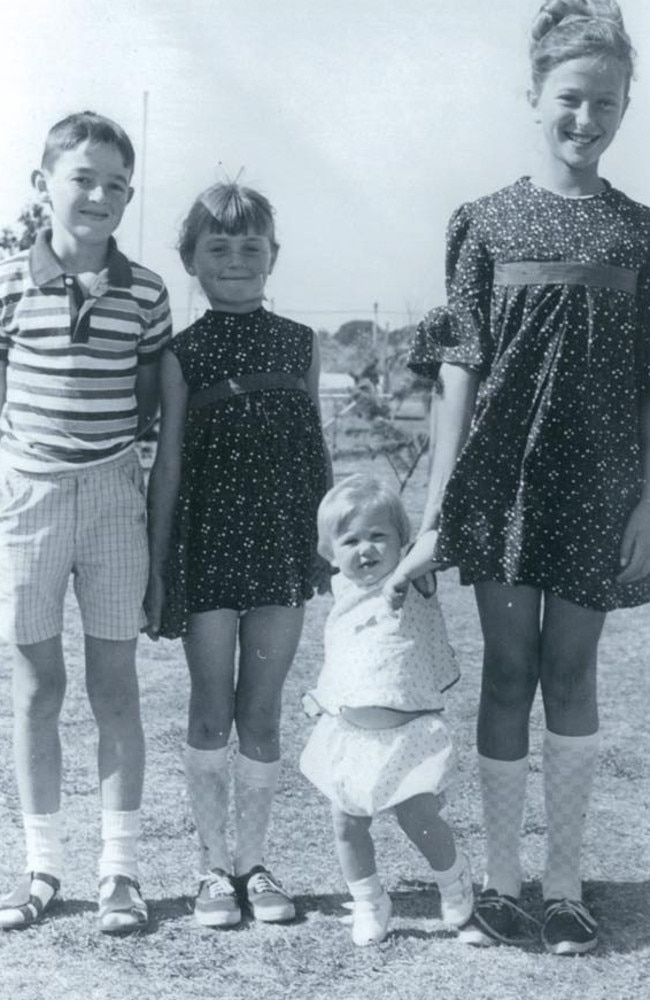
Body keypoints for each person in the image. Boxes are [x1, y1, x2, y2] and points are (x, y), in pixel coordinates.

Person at [403, 0, 650, 956]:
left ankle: (564, 886)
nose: (585, 120)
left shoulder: (640, 234)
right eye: (569, 100)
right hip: (502, 489)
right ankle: (503, 882)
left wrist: (647, 504)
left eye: (607, 103)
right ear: (534, 97)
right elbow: (459, 372)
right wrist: (439, 510)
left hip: (599, 491)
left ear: (626, 107)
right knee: (508, 674)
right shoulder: (486, 220)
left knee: (572, 673)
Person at [0, 111, 172, 933]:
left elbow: (146, 402)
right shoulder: (5, 281)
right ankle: (40, 868)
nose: (99, 195)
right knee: (37, 690)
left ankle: (120, 872)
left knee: (114, 688)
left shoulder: (146, 292)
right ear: (43, 186)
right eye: (83, 178)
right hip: (27, 499)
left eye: (116, 186)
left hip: (111, 496)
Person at [144, 181, 331, 929]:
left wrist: (328, 548)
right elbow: (167, 468)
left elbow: (318, 451)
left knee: (262, 711)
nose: (236, 259)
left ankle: (254, 861)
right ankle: (210, 869)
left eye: (251, 246)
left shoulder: (301, 343)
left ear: (273, 256)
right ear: (190, 259)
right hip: (208, 550)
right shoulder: (180, 353)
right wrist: (159, 569)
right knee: (211, 707)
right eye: (218, 247)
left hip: (284, 551)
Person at [299, 475, 473, 947]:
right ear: (331, 553)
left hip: (408, 732)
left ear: (401, 542)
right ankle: (370, 899)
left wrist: (403, 573)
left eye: (379, 536)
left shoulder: (415, 580)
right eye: (350, 540)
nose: (366, 549)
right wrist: (324, 695)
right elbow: (348, 653)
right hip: (351, 734)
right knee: (347, 824)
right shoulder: (341, 589)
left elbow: (440, 541)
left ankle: (452, 877)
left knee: (417, 816)